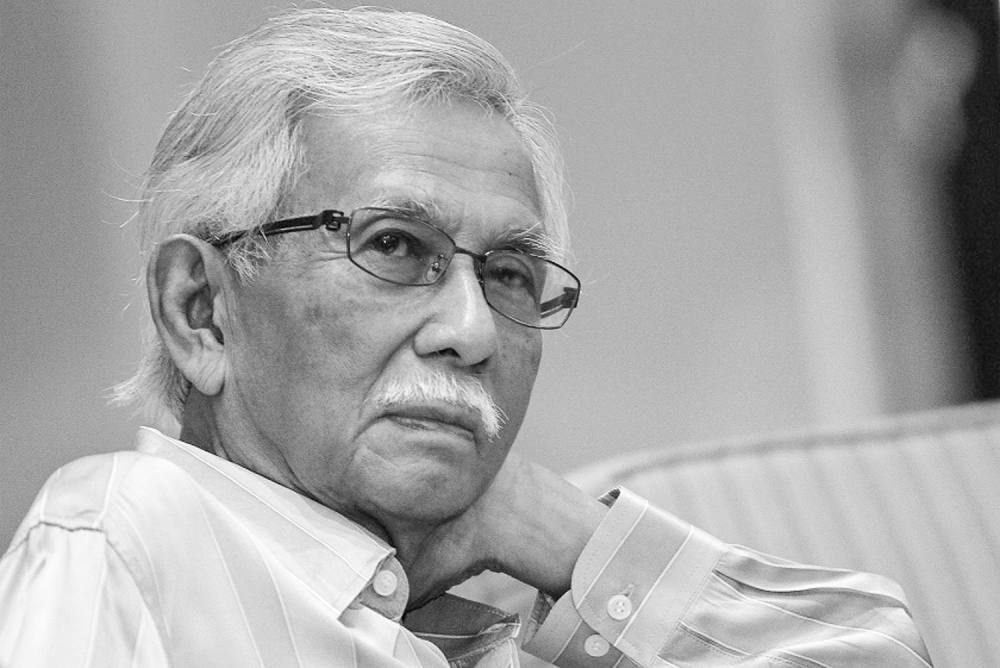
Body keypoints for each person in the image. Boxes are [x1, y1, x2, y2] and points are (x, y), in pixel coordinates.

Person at [0, 7, 931, 667]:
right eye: (394, 245)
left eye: (510, 274)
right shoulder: (124, 540)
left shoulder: (527, 611)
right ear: (200, 310)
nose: (474, 330)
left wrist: (565, 537)